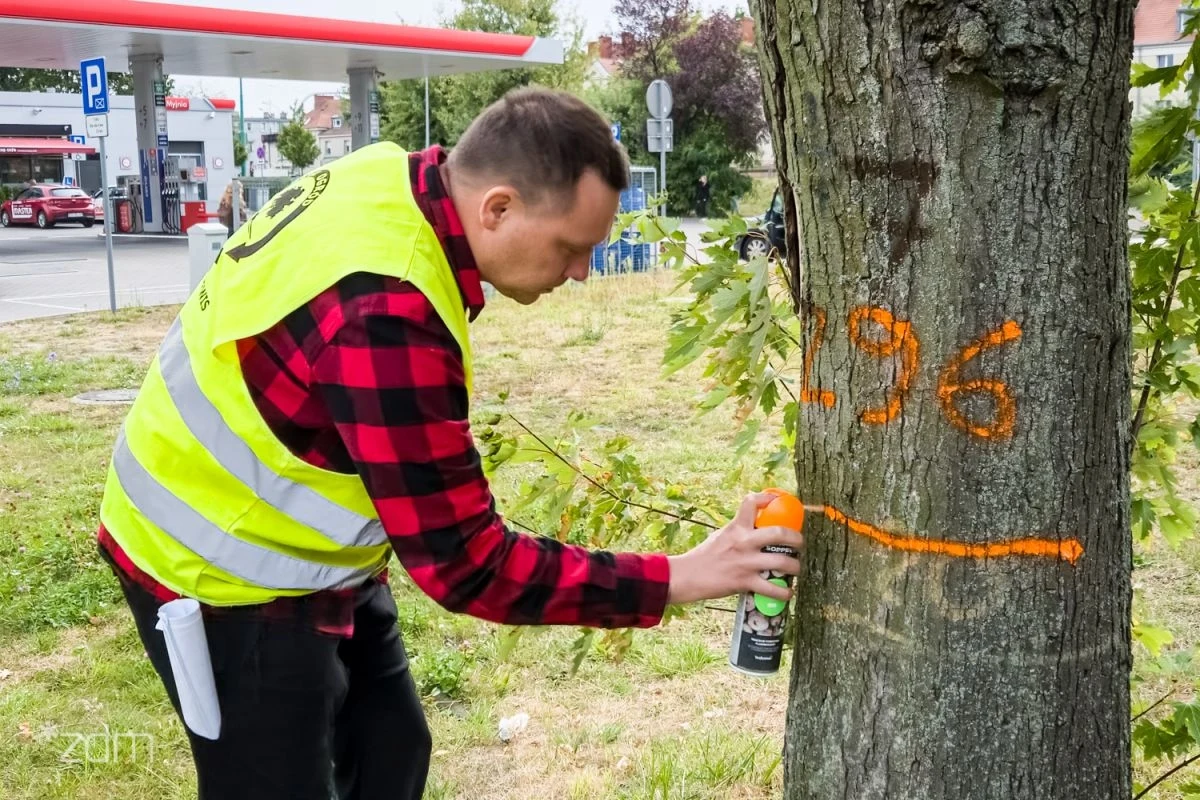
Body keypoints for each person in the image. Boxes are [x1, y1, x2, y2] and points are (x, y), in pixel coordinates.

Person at [95, 87, 804, 800]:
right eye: (571, 247)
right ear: (497, 208)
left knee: (391, 747)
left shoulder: (387, 177)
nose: (583, 272)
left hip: (305, 548)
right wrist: (681, 576)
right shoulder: (385, 310)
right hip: (215, 572)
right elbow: (468, 565)